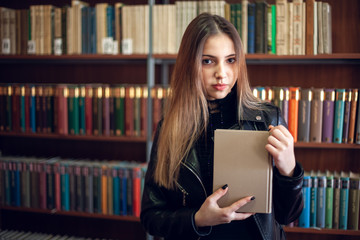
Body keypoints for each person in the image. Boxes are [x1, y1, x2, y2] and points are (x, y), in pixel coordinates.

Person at [140, 13, 304, 240]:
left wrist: (289, 170)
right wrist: (198, 219)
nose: (222, 73)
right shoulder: (170, 128)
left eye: (230, 60)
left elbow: (288, 216)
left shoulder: (267, 118)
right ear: (190, 65)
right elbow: (151, 216)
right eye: (208, 61)